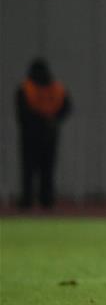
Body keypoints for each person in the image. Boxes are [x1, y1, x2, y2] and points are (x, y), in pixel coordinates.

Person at [15, 58, 72, 210]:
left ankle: (30, 199)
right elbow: (66, 107)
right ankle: (45, 199)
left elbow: (22, 112)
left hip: (32, 135)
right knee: (46, 168)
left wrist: (39, 122)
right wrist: (52, 120)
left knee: (31, 169)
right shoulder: (55, 88)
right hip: (48, 133)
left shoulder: (27, 88)